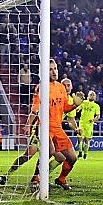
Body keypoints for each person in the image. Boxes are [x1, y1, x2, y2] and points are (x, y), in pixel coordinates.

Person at [26, 60, 84, 190]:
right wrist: (29, 123)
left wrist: (75, 104)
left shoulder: (60, 87)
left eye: (55, 69)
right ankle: (36, 178)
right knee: (49, 153)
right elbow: (35, 106)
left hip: (57, 127)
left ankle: (61, 178)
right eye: (50, 69)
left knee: (72, 158)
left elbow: (65, 107)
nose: (54, 72)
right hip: (45, 126)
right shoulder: (42, 87)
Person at [76, 90, 101, 160]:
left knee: (87, 140)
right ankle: (80, 152)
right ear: (88, 96)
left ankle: (85, 154)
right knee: (79, 138)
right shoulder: (84, 103)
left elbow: (98, 116)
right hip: (82, 123)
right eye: (91, 94)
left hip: (89, 125)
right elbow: (77, 109)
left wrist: (93, 120)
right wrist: (76, 109)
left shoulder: (96, 106)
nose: (92, 96)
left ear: (95, 97)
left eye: (93, 95)